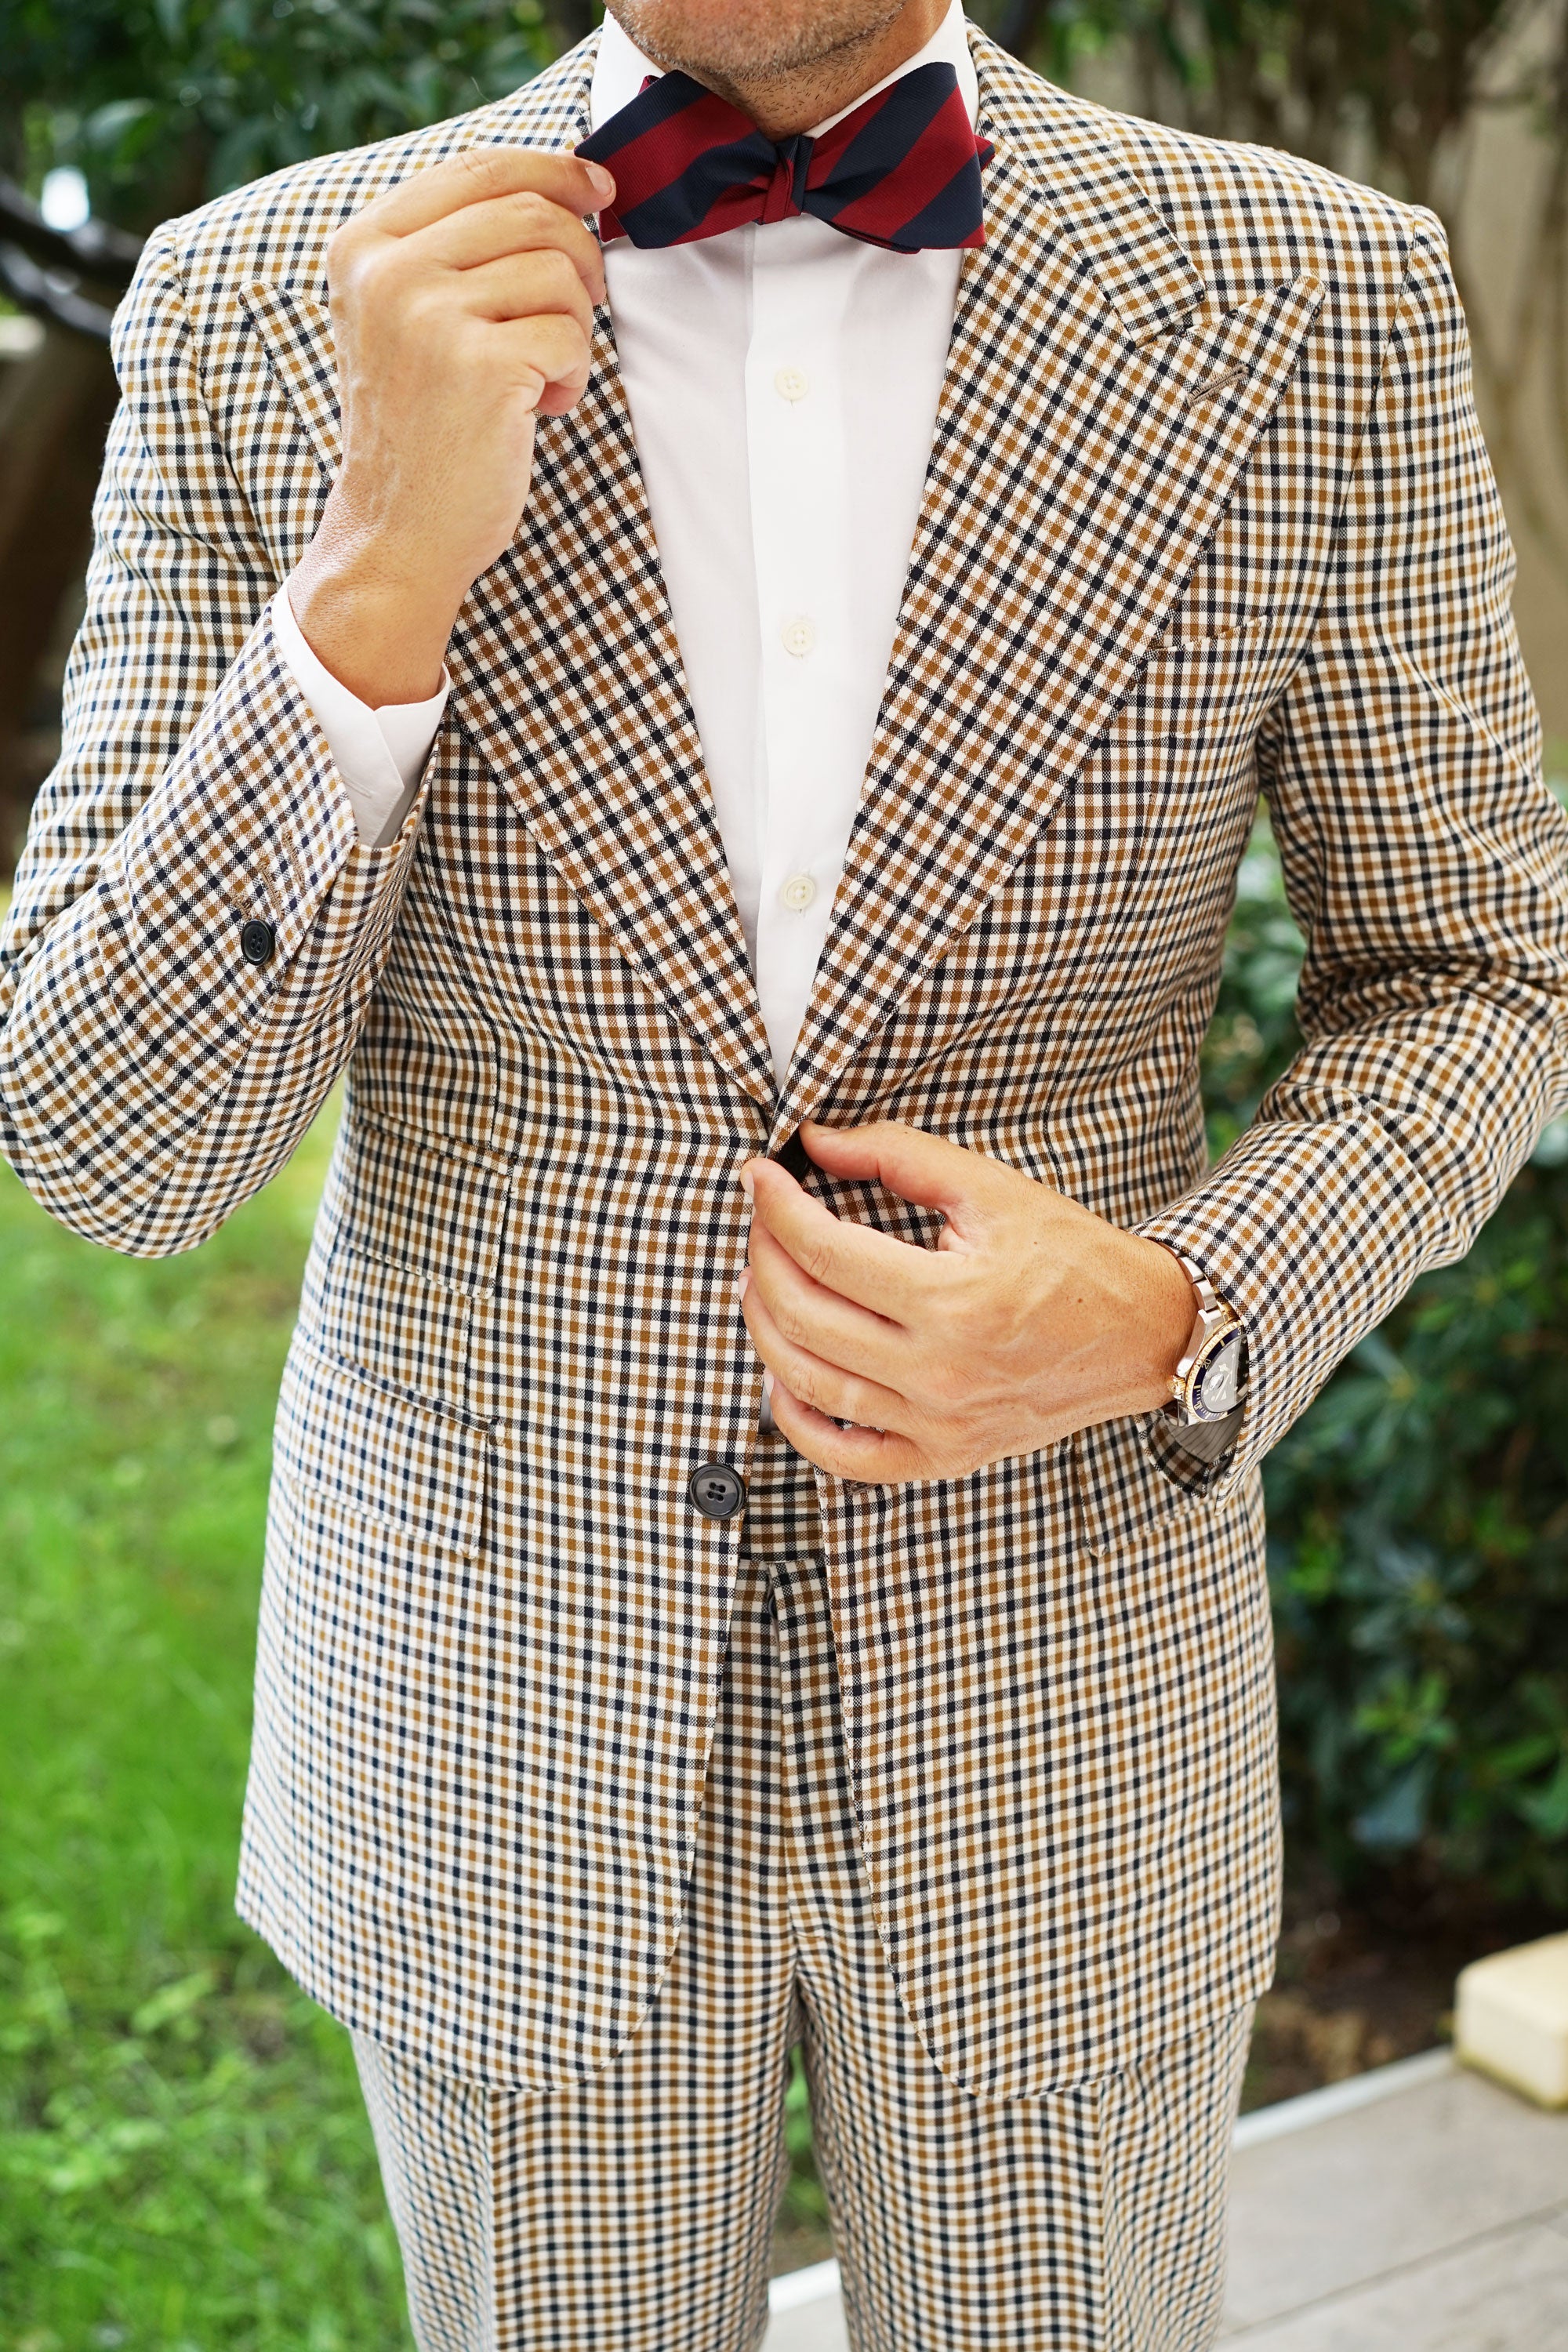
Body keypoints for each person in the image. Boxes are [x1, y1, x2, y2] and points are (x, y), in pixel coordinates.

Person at [2, 0, 1565, 2343]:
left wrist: (1175, 1302)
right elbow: (113, 1148)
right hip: (497, 1703)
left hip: (1063, 1705)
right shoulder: (265, 305)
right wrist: (375, 573)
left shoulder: (1308, 288)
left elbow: (1482, 970)